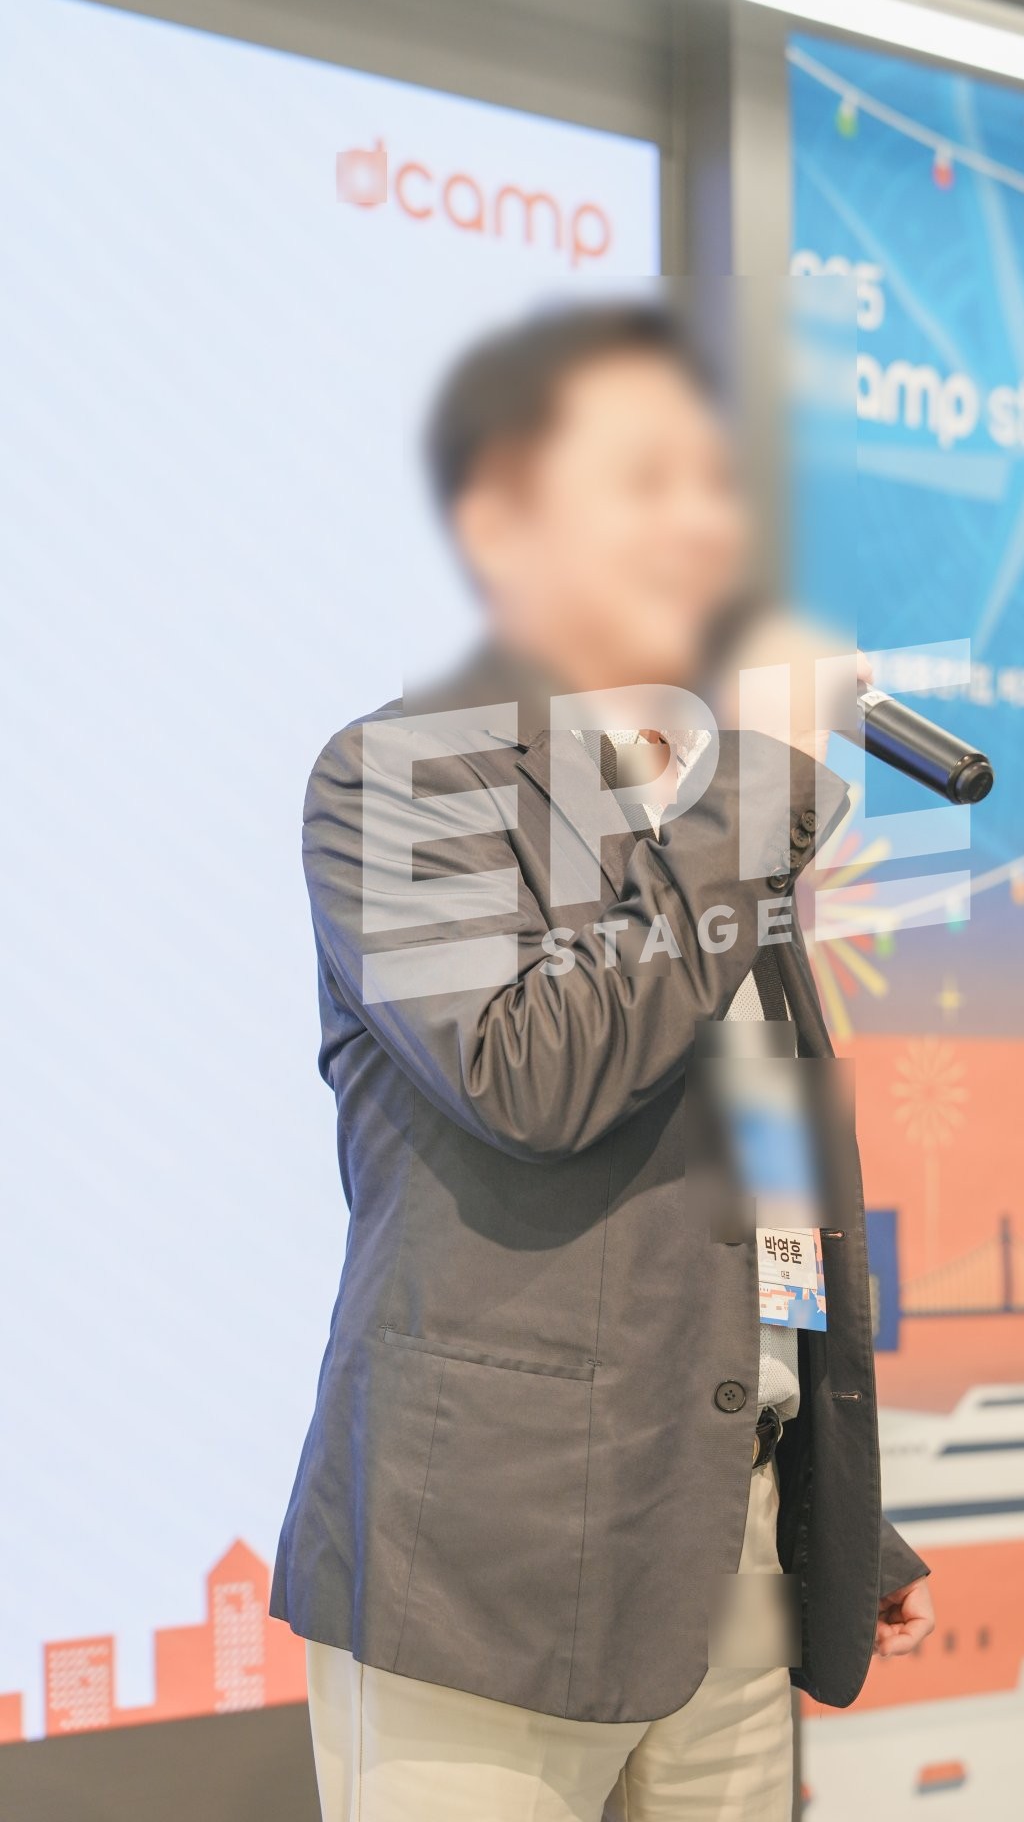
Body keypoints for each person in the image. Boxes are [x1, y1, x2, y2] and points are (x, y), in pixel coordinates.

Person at [271, 302, 934, 1821]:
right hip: (483, 1577)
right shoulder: (403, 774)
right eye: (644, 482)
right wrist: (762, 781)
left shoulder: (711, 816)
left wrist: (831, 1510)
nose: (700, 524)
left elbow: (767, 1188)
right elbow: (532, 1076)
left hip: (726, 1558)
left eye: (713, 486)